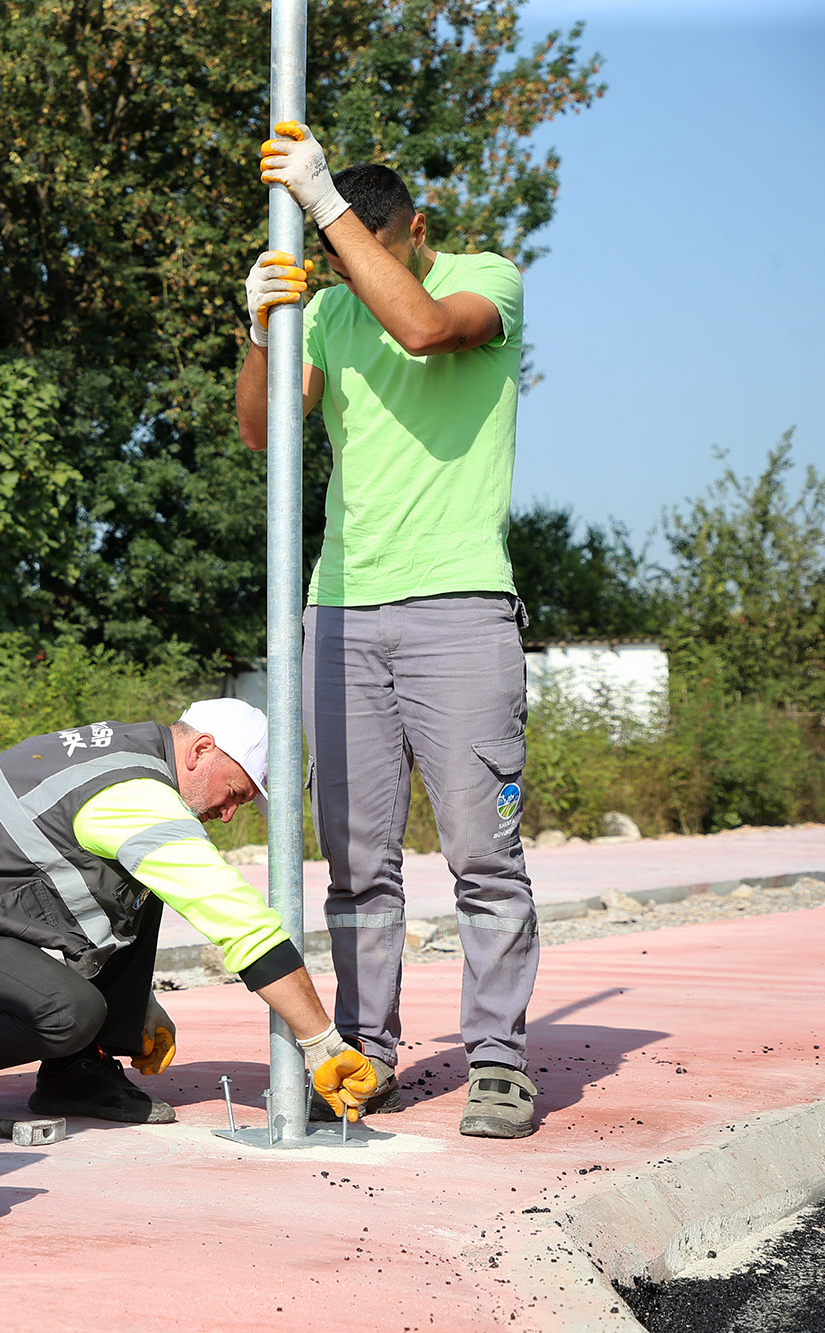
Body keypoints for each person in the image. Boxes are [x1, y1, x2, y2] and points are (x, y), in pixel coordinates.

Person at [236, 121, 539, 1139]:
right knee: (356, 861)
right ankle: (367, 1051)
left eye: (375, 244)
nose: (359, 269)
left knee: (479, 855)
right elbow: (263, 435)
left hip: (457, 605)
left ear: (415, 227)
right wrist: (256, 335)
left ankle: (496, 1060)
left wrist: (323, 206)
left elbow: (416, 327)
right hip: (342, 610)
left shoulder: (486, 278)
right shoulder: (325, 311)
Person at [0, 698, 377, 1126]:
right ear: (202, 750)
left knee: (145, 883)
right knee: (70, 1013)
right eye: (234, 792)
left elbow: (97, 899)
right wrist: (321, 1043)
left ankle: (78, 1072)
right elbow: (239, 922)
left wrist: (137, 1002)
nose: (228, 813)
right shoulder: (133, 794)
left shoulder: (130, 755)